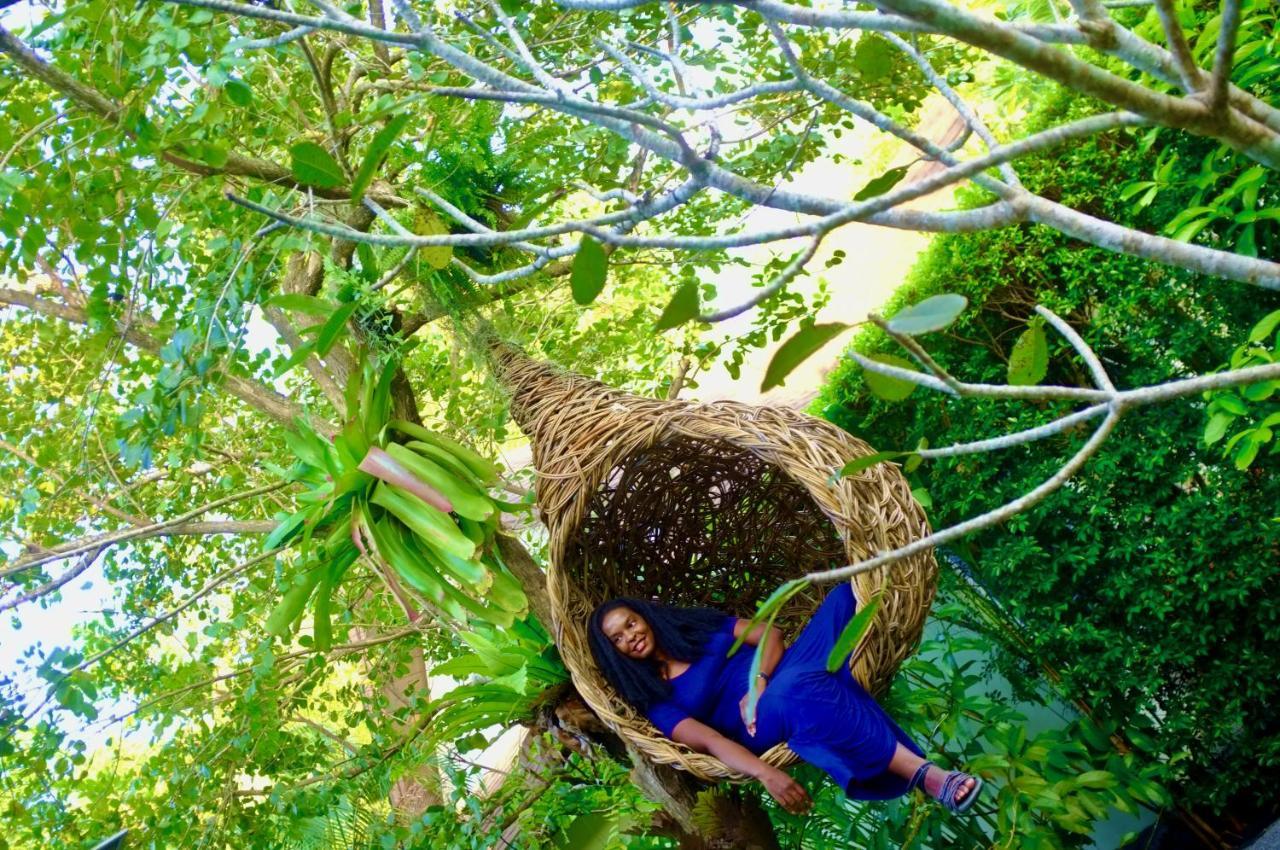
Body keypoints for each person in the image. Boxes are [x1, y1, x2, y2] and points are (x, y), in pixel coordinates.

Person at [587, 583, 982, 815]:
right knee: (798, 690)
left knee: (847, 593)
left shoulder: (693, 628)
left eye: (630, 624)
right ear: (615, 654)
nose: (630, 637)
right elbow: (712, 742)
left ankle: (821, 684)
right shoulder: (656, 698)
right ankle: (926, 775)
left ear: (643, 616)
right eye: (618, 639)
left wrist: (759, 680)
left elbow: (771, 636)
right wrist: (764, 772)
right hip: (759, 719)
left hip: (782, 668)